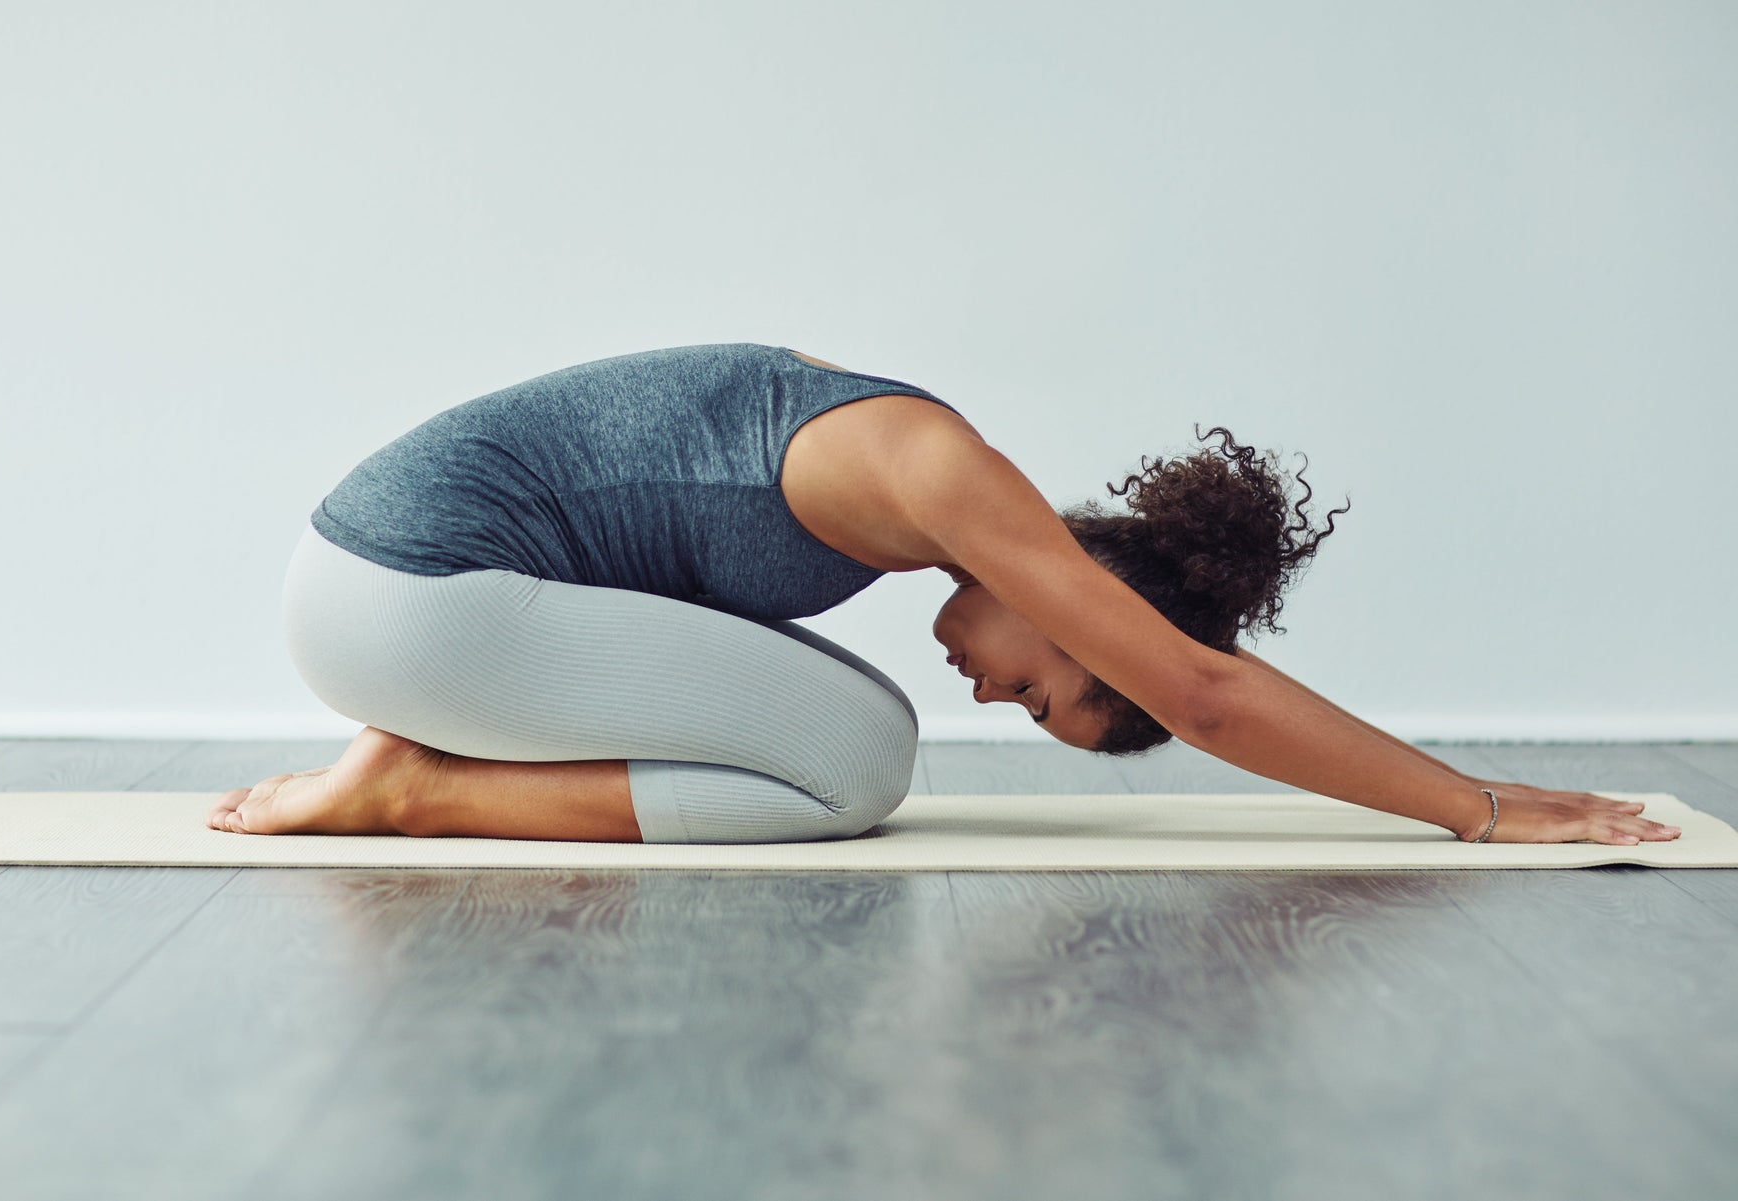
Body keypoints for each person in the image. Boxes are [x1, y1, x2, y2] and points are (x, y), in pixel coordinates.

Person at [208, 343, 1680, 847]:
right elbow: (1206, 693)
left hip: (404, 591)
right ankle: (415, 788)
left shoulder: (907, 481)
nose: (996, 690)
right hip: (411, 594)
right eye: (1043, 688)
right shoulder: (936, 470)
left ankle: (417, 762)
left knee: (856, 723)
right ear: (1091, 601)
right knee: (863, 760)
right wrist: (1473, 804)